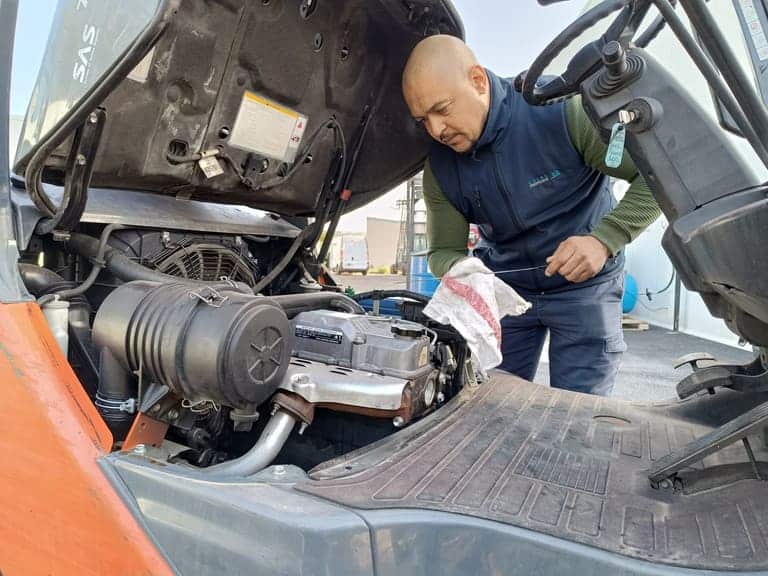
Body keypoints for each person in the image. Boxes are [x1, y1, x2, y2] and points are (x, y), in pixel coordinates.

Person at [402, 35, 661, 395]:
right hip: (506, 292)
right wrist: (461, 270)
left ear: (477, 81)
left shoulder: (559, 111)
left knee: (578, 411)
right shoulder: (441, 167)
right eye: (423, 120)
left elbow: (657, 180)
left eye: (442, 109)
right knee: (490, 404)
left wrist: (605, 239)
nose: (436, 130)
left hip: (585, 289)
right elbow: (442, 251)